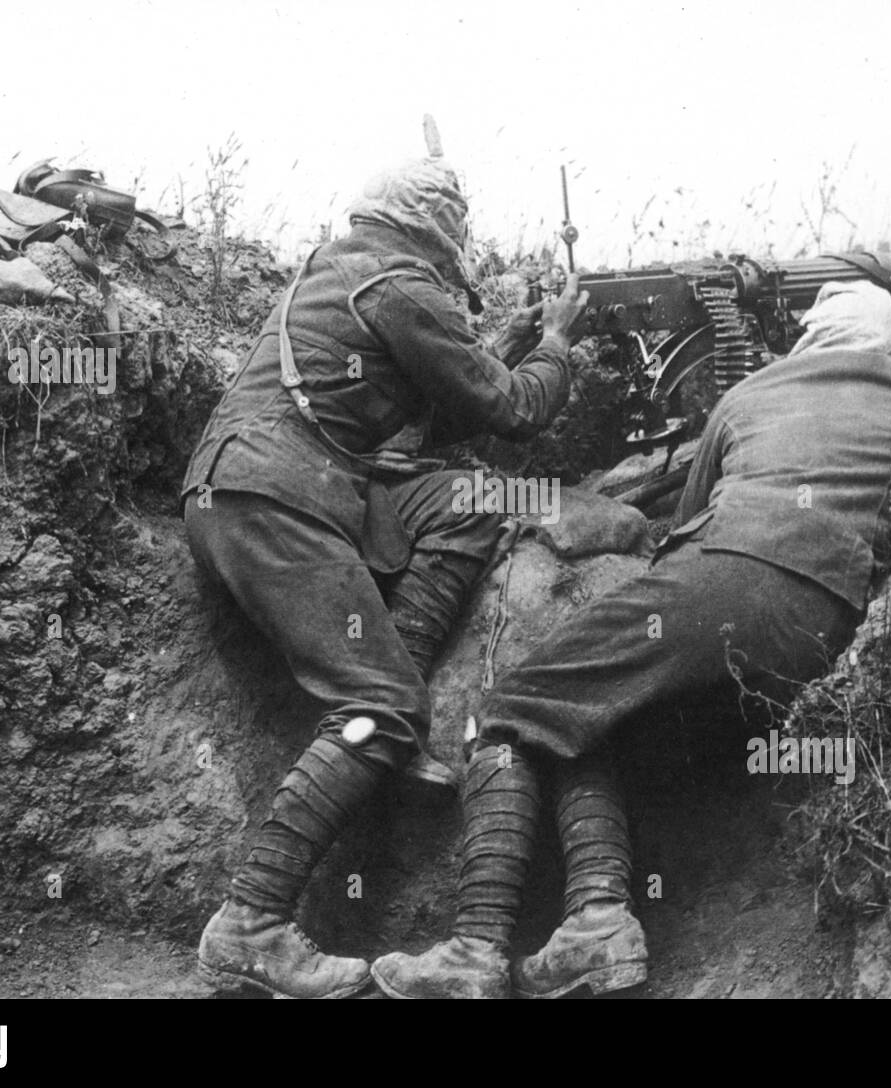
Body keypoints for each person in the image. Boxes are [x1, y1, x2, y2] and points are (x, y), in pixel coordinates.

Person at [370, 279, 891, 999]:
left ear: (810, 335)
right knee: (591, 721)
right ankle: (595, 930)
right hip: (822, 626)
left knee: (508, 711)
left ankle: (474, 951)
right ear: (888, 340)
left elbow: (686, 523)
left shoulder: (752, 392)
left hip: (719, 583)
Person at [181, 157, 588, 999]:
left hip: (288, 478)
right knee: (382, 706)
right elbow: (512, 411)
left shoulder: (345, 269)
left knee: (471, 498)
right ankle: (249, 923)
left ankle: (389, 704)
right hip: (273, 493)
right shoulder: (404, 283)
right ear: (436, 229)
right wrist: (556, 344)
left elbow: (439, 392)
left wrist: (500, 344)